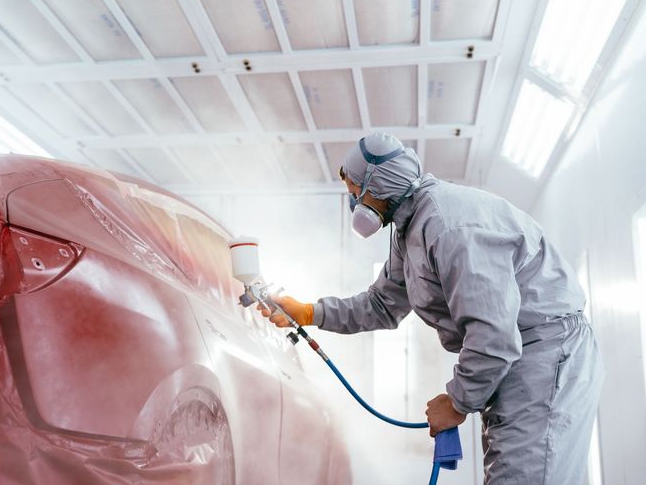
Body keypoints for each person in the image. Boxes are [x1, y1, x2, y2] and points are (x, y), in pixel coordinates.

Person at [259, 132, 604, 484]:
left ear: (376, 186)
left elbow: (494, 335)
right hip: (523, 359)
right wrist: (309, 313)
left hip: (546, 353)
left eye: (353, 193)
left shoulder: (449, 227)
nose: (352, 205)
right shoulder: (409, 230)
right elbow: (381, 303)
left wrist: (455, 403)